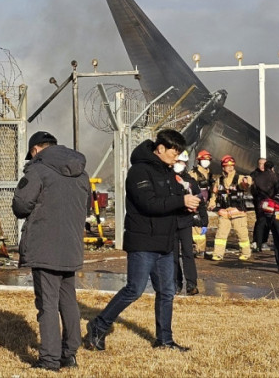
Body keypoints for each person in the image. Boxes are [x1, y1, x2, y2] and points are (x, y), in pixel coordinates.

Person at [84, 129, 199, 353]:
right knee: (134, 289)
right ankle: (99, 326)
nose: (177, 158)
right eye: (175, 153)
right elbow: (149, 203)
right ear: (161, 148)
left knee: (166, 292)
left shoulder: (168, 173)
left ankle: (164, 340)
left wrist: (188, 207)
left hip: (165, 242)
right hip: (143, 241)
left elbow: (171, 203)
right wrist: (179, 200)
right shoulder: (139, 171)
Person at [12, 130, 90, 371]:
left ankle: (49, 360)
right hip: (72, 246)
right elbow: (85, 207)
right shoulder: (82, 171)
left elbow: (21, 205)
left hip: (45, 246)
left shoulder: (37, 169)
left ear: (36, 149)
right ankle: (70, 354)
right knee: (68, 301)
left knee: (47, 304)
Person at [208, 155, 252, 261]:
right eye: (227, 166)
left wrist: (246, 181)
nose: (230, 168)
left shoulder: (239, 178)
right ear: (223, 168)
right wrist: (212, 203)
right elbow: (214, 194)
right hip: (224, 212)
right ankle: (218, 254)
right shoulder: (219, 180)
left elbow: (248, 181)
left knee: (242, 234)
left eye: (232, 166)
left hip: (238, 212)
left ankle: (246, 253)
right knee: (221, 234)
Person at [172, 151, 204, 295]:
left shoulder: (190, 181)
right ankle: (175, 283)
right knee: (172, 255)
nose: (180, 165)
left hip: (185, 221)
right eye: (177, 161)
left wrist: (204, 221)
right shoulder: (166, 179)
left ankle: (191, 284)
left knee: (188, 254)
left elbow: (200, 200)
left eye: (182, 162)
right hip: (170, 221)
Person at [187, 150, 213, 256]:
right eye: (204, 160)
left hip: (204, 203)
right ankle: (199, 249)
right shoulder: (193, 174)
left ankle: (200, 249)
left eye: (208, 160)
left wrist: (212, 201)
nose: (206, 162)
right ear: (199, 160)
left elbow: (211, 190)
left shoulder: (209, 174)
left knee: (202, 223)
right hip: (196, 202)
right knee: (197, 224)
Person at [250, 158, 277, 252]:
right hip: (259, 200)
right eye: (260, 164)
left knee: (267, 221)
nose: (262, 166)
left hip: (269, 201)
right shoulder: (254, 175)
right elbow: (253, 189)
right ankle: (257, 241)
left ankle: (262, 241)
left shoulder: (270, 175)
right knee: (260, 221)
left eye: (263, 164)